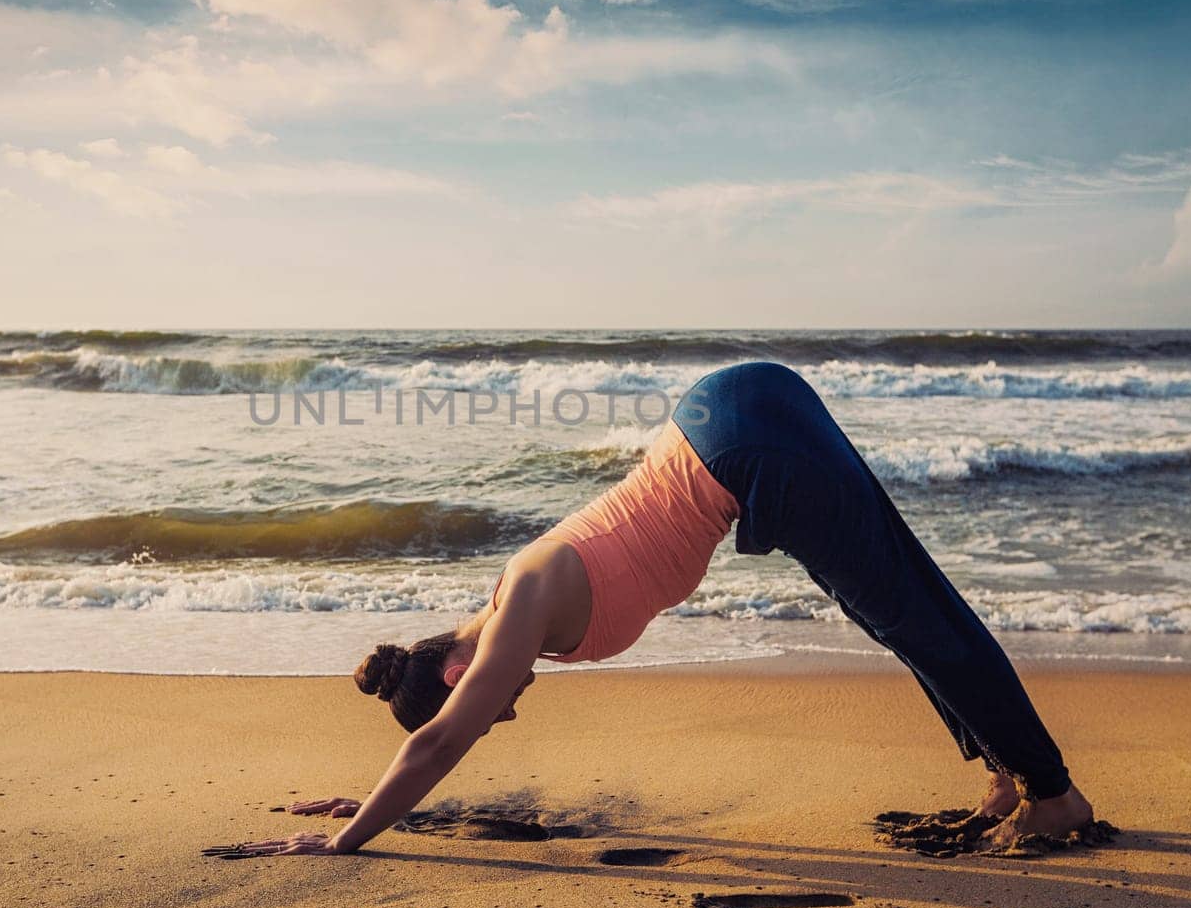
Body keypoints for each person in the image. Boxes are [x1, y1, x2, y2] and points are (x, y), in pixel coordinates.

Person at [234, 362, 1093, 857]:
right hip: (732, 411)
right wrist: (382, 800)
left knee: (912, 617)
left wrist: (345, 841)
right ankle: (1006, 772)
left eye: (492, 712)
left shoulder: (518, 610)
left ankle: (1052, 795)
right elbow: (438, 742)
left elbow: (438, 740)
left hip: (748, 448)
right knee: (897, 611)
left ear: (458, 676)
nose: (508, 710)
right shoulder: (512, 593)